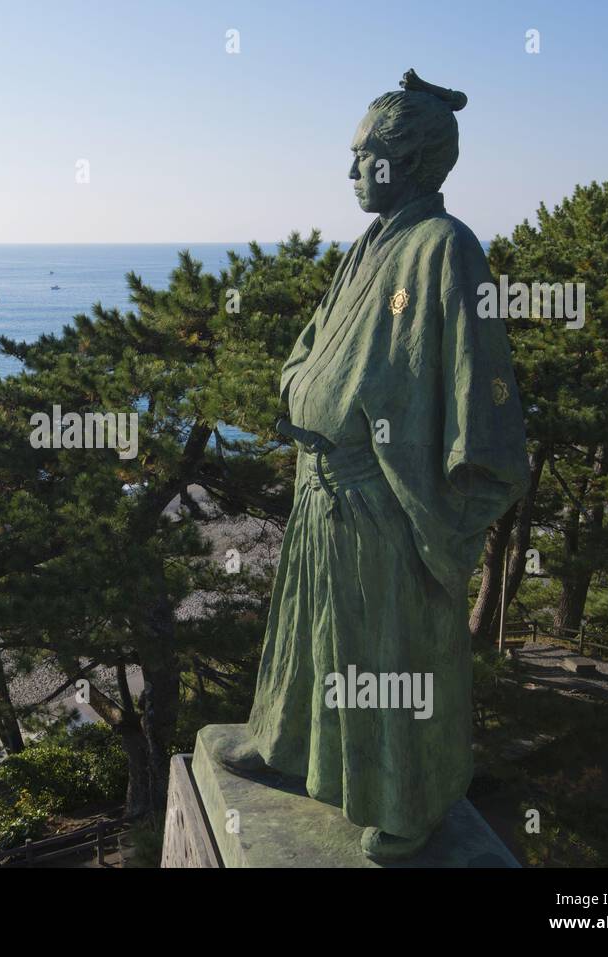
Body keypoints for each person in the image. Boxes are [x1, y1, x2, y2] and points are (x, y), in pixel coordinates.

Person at [212, 69, 529, 861]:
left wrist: (449, 515)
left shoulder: (445, 249)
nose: (353, 172)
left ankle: (406, 797)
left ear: (411, 160)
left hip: (386, 500)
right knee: (309, 642)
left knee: (386, 658)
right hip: (321, 491)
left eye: (365, 157)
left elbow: (476, 390)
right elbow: (309, 350)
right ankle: (283, 742)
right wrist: (301, 387)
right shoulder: (368, 246)